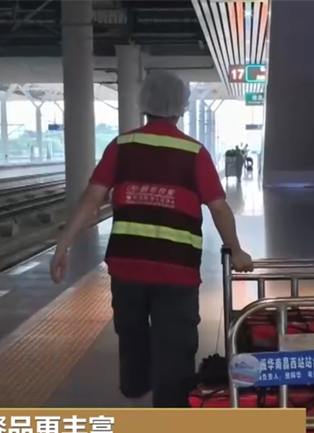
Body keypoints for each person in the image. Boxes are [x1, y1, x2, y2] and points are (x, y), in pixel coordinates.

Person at [49, 71, 254, 408]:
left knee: (130, 332)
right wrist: (237, 249)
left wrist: (63, 244)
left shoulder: (122, 146)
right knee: (175, 344)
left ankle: (134, 385)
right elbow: (219, 207)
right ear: (181, 107)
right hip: (177, 270)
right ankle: (169, 413)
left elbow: (92, 197)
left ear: (143, 104)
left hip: (127, 266)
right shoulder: (194, 152)